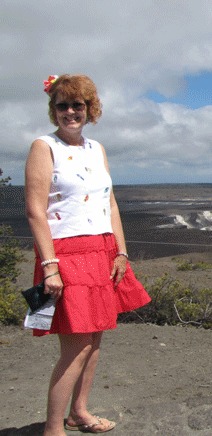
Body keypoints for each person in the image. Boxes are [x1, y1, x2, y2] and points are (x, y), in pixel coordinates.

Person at [25, 74, 151, 435]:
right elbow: (35, 211)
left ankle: (78, 411)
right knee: (77, 343)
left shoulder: (97, 148)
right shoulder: (43, 147)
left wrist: (121, 251)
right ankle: (53, 429)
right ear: (54, 110)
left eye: (77, 105)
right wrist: (50, 266)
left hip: (101, 249)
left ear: (89, 109)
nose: (70, 112)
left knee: (95, 337)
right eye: (62, 105)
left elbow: (108, 202)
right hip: (65, 254)